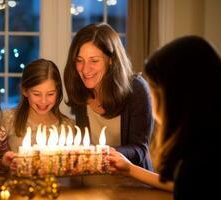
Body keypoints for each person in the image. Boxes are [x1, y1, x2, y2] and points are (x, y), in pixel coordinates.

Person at [108, 36, 221, 199]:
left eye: (154, 92)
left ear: (175, 97)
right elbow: (177, 183)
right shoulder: (208, 145)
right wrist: (129, 169)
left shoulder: (198, 162)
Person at [64, 23, 154, 172]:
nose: (85, 69)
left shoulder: (136, 89)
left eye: (94, 60)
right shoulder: (81, 89)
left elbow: (139, 150)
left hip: (131, 184)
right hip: (90, 184)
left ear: (111, 59)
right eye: (80, 60)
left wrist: (102, 154)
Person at [2, 58, 74, 152]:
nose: (43, 101)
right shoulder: (8, 120)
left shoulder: (68, 127)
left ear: (57, 92)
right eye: (36, 94)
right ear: (25, 91)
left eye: (50, 94)